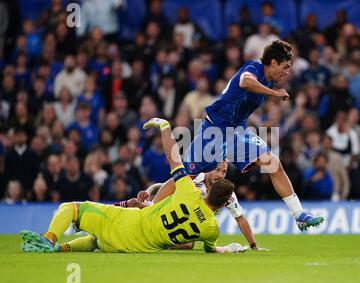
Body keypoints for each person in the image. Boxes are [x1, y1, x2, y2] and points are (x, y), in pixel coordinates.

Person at [20, 118, 248, 254]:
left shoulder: (189, 192)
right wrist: (230, 249)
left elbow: (174, 158)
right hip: (137, 247)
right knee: (95, 241)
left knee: (71, 209)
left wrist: (165, 127)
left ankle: (49, 239)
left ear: (208, 189)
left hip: (127, 224)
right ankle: (60, 249)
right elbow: (210, 249)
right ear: (224, 203)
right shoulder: (211, 229)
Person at [183, 40, 324, 231]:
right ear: (273, 62)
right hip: (214, 130)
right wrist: (274, 94)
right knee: (184, 179)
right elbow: (245, 82)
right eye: (285, 66)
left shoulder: (268, 81)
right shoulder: (254, 68)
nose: (287, 72)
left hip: (238, 133)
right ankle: (150, 207)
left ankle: (299, 214)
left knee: (273, 163)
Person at [120, 161, 264, 251]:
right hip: (172, 212)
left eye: (224, 171)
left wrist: (253, 246)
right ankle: (128, 210)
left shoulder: (225, 193)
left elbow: (240, 218)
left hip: (200, 226)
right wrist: (149, 191)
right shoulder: (193, 178)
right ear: (208, 168)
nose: (220, 175)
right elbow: (166, 185)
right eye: (217, 169)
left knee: (188, 244)